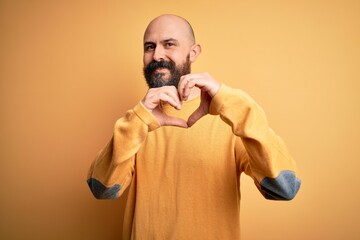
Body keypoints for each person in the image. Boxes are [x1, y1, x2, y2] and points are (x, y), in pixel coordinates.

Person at [87, 14, 301, 239]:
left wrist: (230, 101)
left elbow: (284, 189)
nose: (157, 55)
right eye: (149, 47)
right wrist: (137, 119)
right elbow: (102, 190)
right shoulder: (137, 122)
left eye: (169, 44)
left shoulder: (230, 118)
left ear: (194, 52)